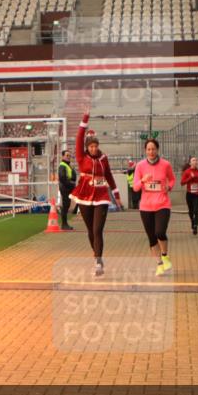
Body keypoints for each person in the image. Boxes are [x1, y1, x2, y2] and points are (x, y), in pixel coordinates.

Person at [71, 110, 123, 276]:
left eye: (95, 146)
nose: (93, 149)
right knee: (90, 230)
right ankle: (96, 255)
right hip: (84, 195)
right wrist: (85, 118)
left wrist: (117, 196)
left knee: (97, 229)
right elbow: (79, 137)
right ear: (87, 148)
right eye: (91, 146)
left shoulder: (103, 158)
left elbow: (109, 176)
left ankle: (98, 262)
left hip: (101, 196)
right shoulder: (81, 157)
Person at [132, 138, 176, 276]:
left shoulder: (166, 164)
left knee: (160, 232)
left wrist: (169, 187)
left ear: (157, 150)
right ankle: (159, 264)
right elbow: (135, 187)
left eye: (153, 149)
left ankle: (165, 255)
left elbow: (172, 179)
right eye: (148, 149)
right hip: (146, 206)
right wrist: (142, 180)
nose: (151, 152)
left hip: (162, 204)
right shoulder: (140, 166)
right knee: (151, 237)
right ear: (145, 151)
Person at [180, 156, 198, 235]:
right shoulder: (187, 172)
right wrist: (190, 178)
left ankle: (195, 226)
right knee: (191, 211)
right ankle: (192, 222)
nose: (195, 161)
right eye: (193, 160)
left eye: (196, 160)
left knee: (196, 211)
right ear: (190, 163)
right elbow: (182, 183)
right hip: (190, 194)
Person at [57, 149, 76, 230]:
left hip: (68, 187)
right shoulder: (62, 165)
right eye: (67, 155)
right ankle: (64, 224)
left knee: (67, 205)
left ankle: (65, 223)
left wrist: (72, 182)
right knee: (65, 205)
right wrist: (71, 184)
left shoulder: (68, 165)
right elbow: (62, 178)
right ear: (63, 156)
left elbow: (73, 177)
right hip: (65, 187)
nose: (69, 157)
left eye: (69, 156)